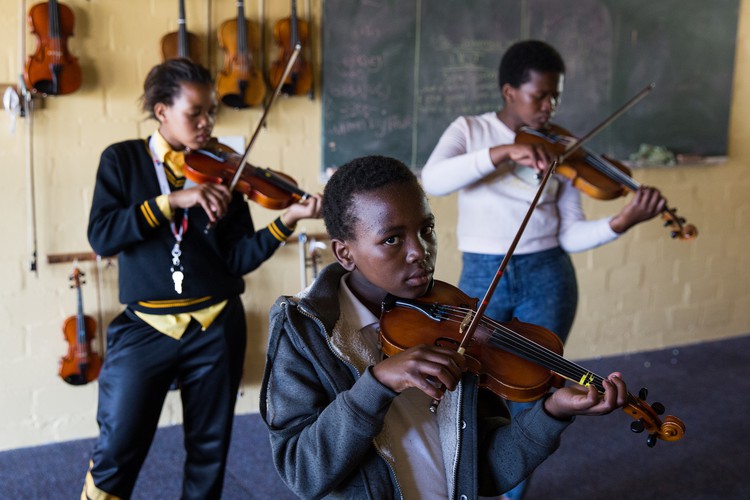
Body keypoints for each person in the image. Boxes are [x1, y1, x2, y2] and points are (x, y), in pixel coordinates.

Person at [259, 155, 629, 500]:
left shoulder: (448, 317)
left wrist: (551, 412)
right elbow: (301, 472)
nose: (420, 251)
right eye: (392, 239)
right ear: (345, 253)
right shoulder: (304, 331)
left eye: (427, 229)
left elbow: (486, 472)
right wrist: (379, 384)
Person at [421, 40, 666, 499]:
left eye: (556, 96)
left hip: (547, 276)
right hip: (482, 277)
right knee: (466, 388)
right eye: (540, 96)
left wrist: (620, 221)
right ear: (510, 91)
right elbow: (433, 179)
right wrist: (503, 154)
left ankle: (514, 493)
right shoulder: (471, 130)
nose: (549, 107)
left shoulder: (563, 149)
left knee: (530, 393)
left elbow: (570, 234)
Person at [82, 58, 321, 499]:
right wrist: (173, 200)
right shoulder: (122, 160)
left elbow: (237, 258)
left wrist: (287, 218)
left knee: (209, 451)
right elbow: (103, 235)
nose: (207, 122)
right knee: (117, 448)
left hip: (216, 327)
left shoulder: (225, 169)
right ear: (161, 112)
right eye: (196, 113)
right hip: (145, 327)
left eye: (210, 111)